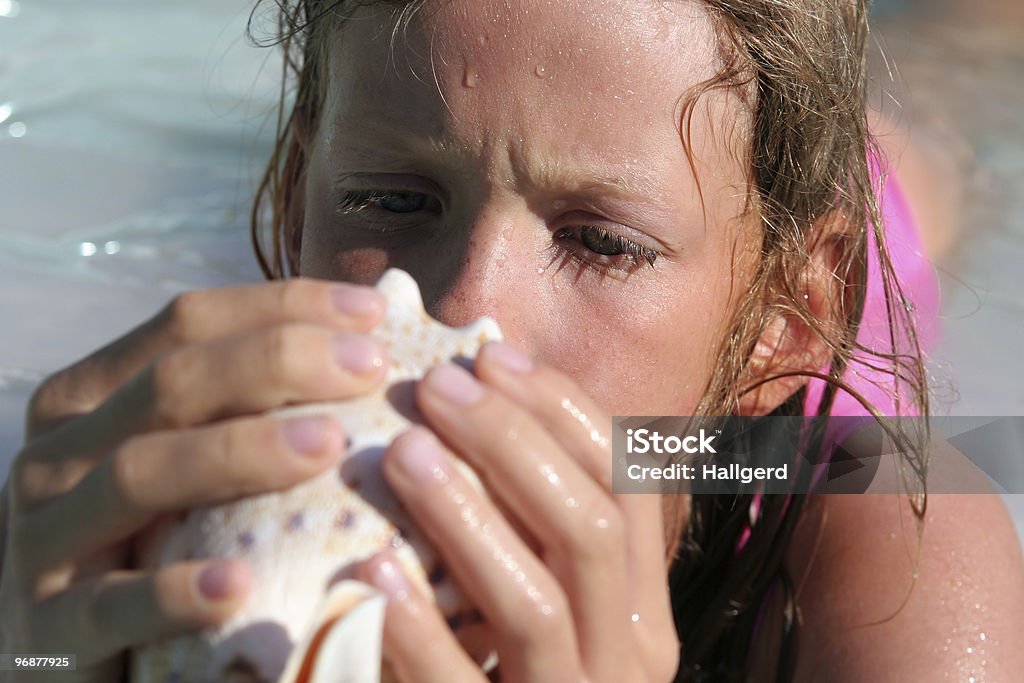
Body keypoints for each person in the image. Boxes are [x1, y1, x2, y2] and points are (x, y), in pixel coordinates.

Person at [1, 0, 1022, 681]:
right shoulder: (177, 467)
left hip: (852, 239)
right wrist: (35, 654)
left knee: (936, 82)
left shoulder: (882, 523)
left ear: (781, 324)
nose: (464, 312)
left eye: (604, 243)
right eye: (388, 198)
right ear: (289, 212)